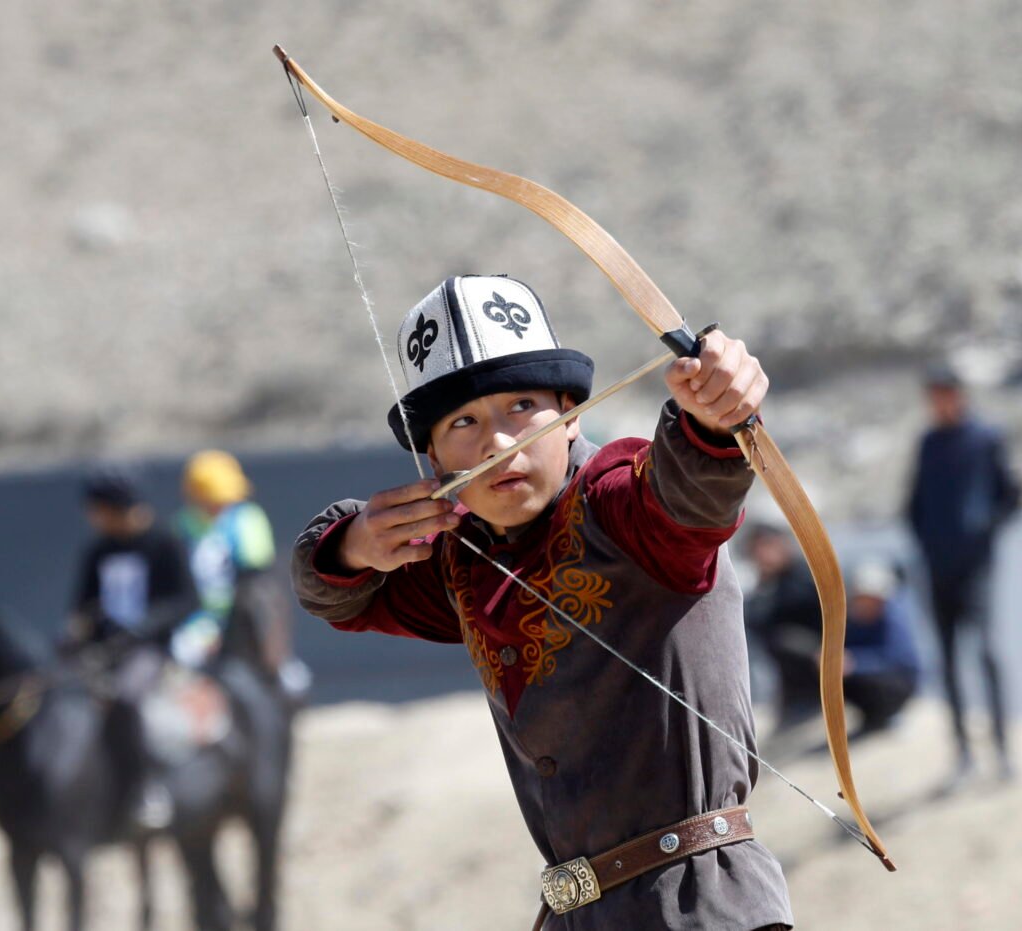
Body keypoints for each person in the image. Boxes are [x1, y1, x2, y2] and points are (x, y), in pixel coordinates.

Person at [292, 275, 792, 930]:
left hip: (703, 906)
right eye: (463, 423)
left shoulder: (621, 502)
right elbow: (336, 595)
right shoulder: (459, 558)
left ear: (571, 411)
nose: (497, 442)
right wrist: (356, 544)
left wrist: (716, 416)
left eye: (521, 405)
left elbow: (691, 491)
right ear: (436, 461)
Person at [906, 363, 1022, 783]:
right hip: (936, 568)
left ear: (959, 394)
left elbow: (1011, 494)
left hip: (977, 567)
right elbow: (915, 501)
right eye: (932, 396)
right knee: (948, 658)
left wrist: (984, 532)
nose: (938, 403)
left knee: (986, 652)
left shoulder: (986, 439)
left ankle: (1004, 751)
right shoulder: (929, 443)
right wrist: (924, 542)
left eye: (943, 394)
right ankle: (963, 755)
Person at [68, 465, 198, 830]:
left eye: (98, 510)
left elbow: (187, 599)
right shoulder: (98, 552)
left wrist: (144, 628)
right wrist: (77, 633)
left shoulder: (163, 544)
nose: (93, 518)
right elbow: (82, 604)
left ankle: (146, 788)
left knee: (126, 697)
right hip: (102, 651)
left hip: (150, 651)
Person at [177, 450, 311, 700]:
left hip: (244, 611)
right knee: (182, 655)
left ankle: (281, 668)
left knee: (263, 608)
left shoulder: (246, 519)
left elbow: (256, 575)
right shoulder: (184, 527)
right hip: (199, 618)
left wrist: (226, 628)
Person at [742, 521, 824, 730]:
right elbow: (754, 621)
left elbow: (797, 607)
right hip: (798, 652)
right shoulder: (773, 581)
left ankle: (810, 698)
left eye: (767, 547)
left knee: (782, 639)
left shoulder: (804, 573)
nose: (762, 556)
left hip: (825, 649)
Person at [842, 561, 921, 736]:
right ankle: (870, 716)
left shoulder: (893, 620)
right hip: (862, 676)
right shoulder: (852, 619)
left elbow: (897, 659)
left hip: (897, 682)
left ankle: (888, 715)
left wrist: (856, 663)